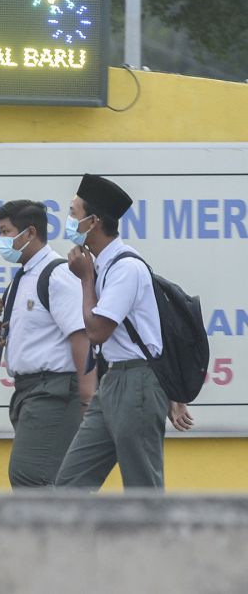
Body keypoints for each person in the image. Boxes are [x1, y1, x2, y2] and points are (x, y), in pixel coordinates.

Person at [55, 174, 193, 490]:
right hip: (114, 380)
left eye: (74, 212)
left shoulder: (124, 268)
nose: (69, 219)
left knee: (142, 489)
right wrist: (90, 275)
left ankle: (154, 541)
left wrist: (85, 279)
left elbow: (98, 331)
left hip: (138, 383)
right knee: (69, 486)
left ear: (94, 222)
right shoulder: (104, 264)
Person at [0, 200, 95, 488]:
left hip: (54, 392)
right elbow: (27, 341)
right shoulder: (22, 280)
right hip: (28, 392)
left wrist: (87, 400)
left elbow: (80, 336)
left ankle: (47, 531)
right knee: (49, 479)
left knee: (30, 475)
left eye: (6, 231)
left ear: (30, 232)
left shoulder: (56, 275)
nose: (1, 240)